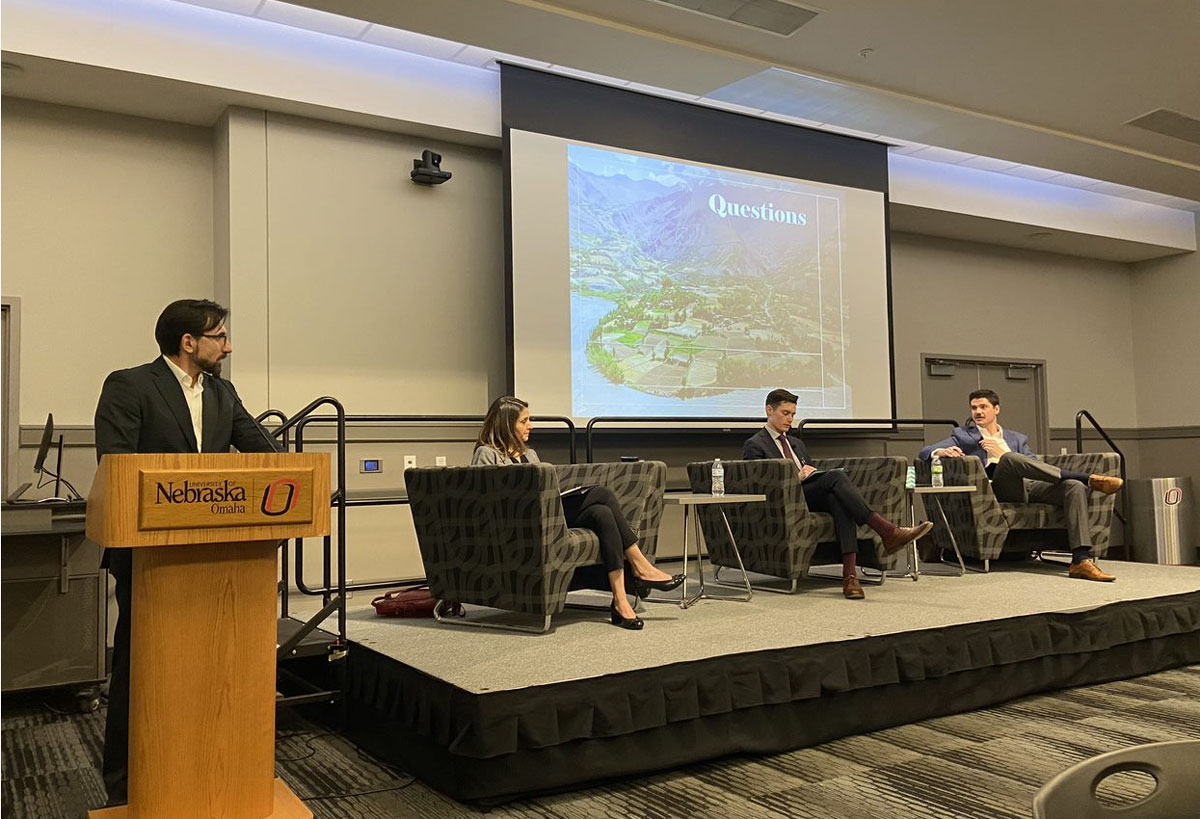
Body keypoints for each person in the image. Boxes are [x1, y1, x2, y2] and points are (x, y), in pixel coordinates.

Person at [93, 299, 281, 807]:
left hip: (218, 556)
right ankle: (127, 787)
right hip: (148, 557)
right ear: (188, 342)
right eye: (220, 336)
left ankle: (208, 774)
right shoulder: (130, 385)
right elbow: (117, 467)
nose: (229, 346)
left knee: (215, 671)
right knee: (141, 671)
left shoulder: (223, 393)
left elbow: (266, 454)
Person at [471, 396, 682, 629]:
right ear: (505, 423)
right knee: (602, 494)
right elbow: (488, 501)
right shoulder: (486, 454)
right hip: (520, 521)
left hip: (546, 516)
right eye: (524, 421)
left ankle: (620, 600)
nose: (531, 425)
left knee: (602, 514)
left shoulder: (530, 455)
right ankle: (641, 566)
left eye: (530, 420)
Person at [743, 388, 934, 600]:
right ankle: (887, 531)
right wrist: (796, 478)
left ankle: (850, 576)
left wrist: (811, 474)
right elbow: (759, 485)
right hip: (785, 500)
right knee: (836, 477)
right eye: (785, 413)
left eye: (793, 414)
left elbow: (810, 471)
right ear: (769, 411)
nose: (790, 419)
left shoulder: (796, 443)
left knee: (840, 500)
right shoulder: (755, 444)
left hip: (808, 496)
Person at [919, 388, 1122, 581]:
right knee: (1009, 459)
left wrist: (1003, 451)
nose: (978, 412)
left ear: (996, 409)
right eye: (974, 408)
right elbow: (924, 451)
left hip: (1030, 485)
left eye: (983, 407)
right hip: (997, 489)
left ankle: (1080, 560)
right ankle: (1087, 478)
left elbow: (1034, 464)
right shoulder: (963, 435)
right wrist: (941, 452)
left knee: (1073, 487)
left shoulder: (1016, 438)